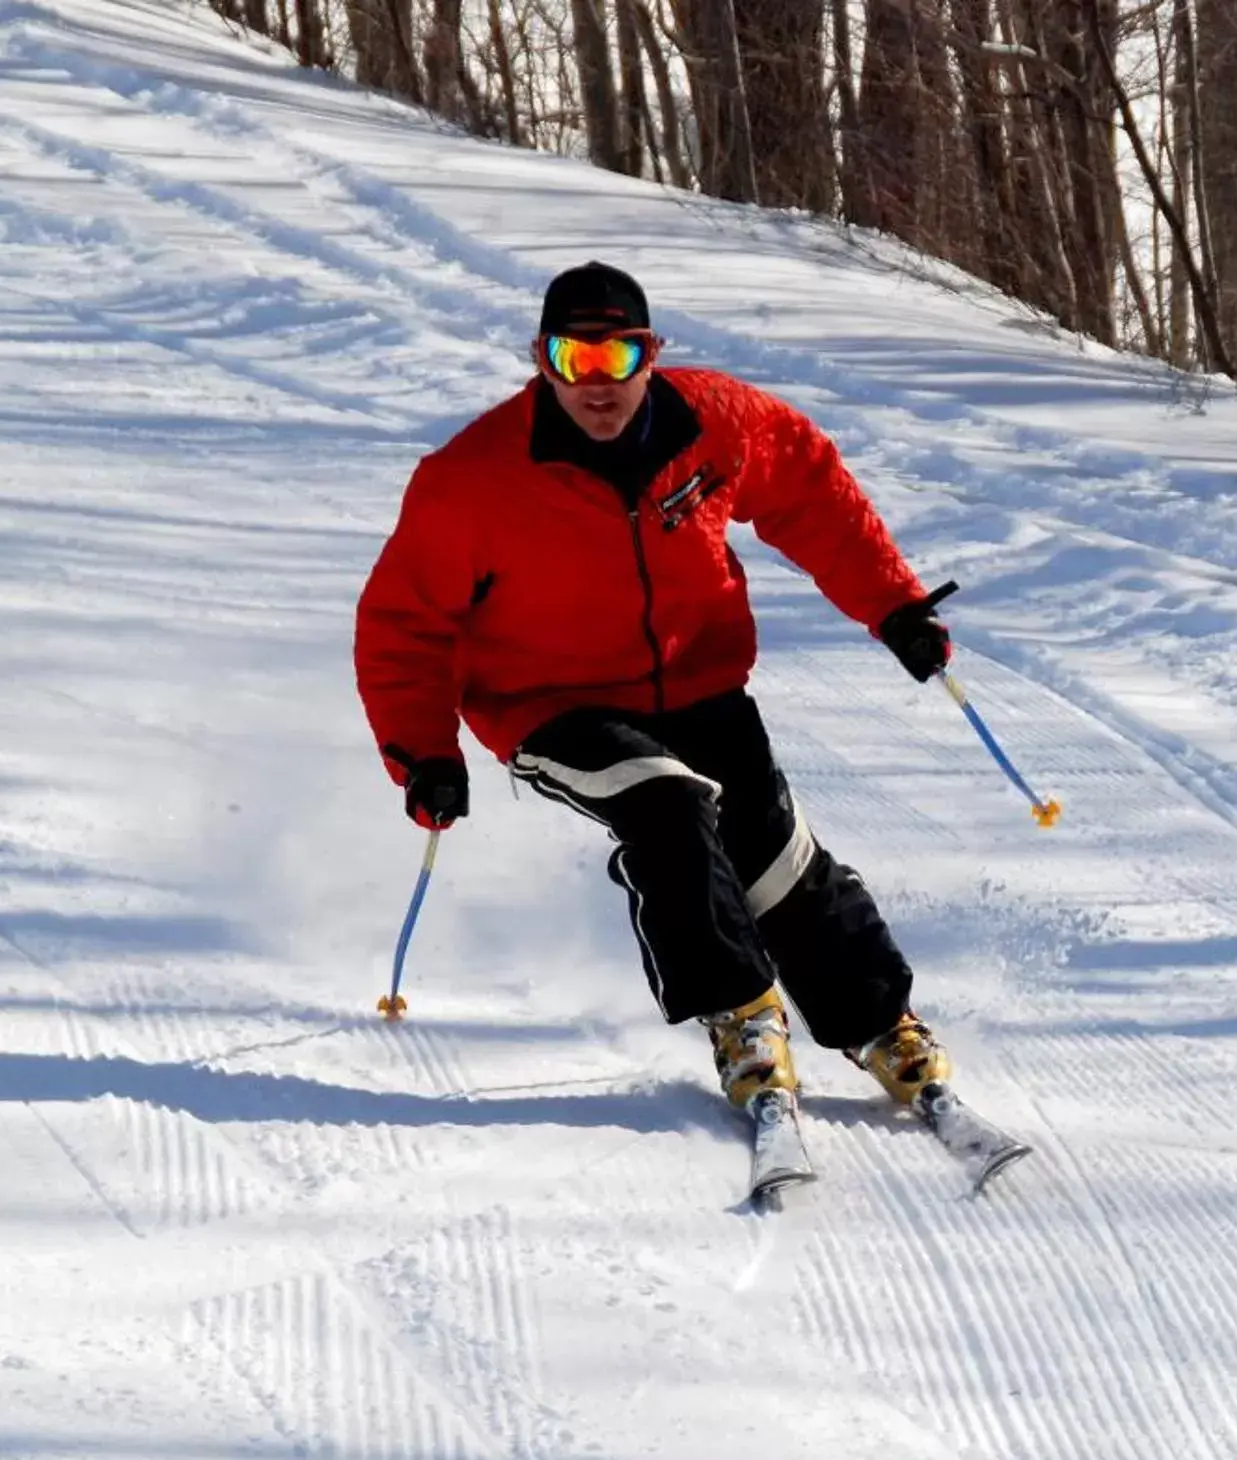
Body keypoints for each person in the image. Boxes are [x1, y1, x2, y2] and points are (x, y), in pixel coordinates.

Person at [355, 261, 963, 1116]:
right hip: (550, 705)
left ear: (653, 354)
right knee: (666, 804)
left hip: (699, 683)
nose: (597, 385)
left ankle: (879, 1021)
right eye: (575, 360)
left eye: (619, 358)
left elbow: (812, 492)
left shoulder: (715, 421)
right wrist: (423, 751)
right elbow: (402, 624)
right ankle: (743, 1018)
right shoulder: (472, 479)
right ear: (541, 358)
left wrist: (893, 604)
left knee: (771, 852)